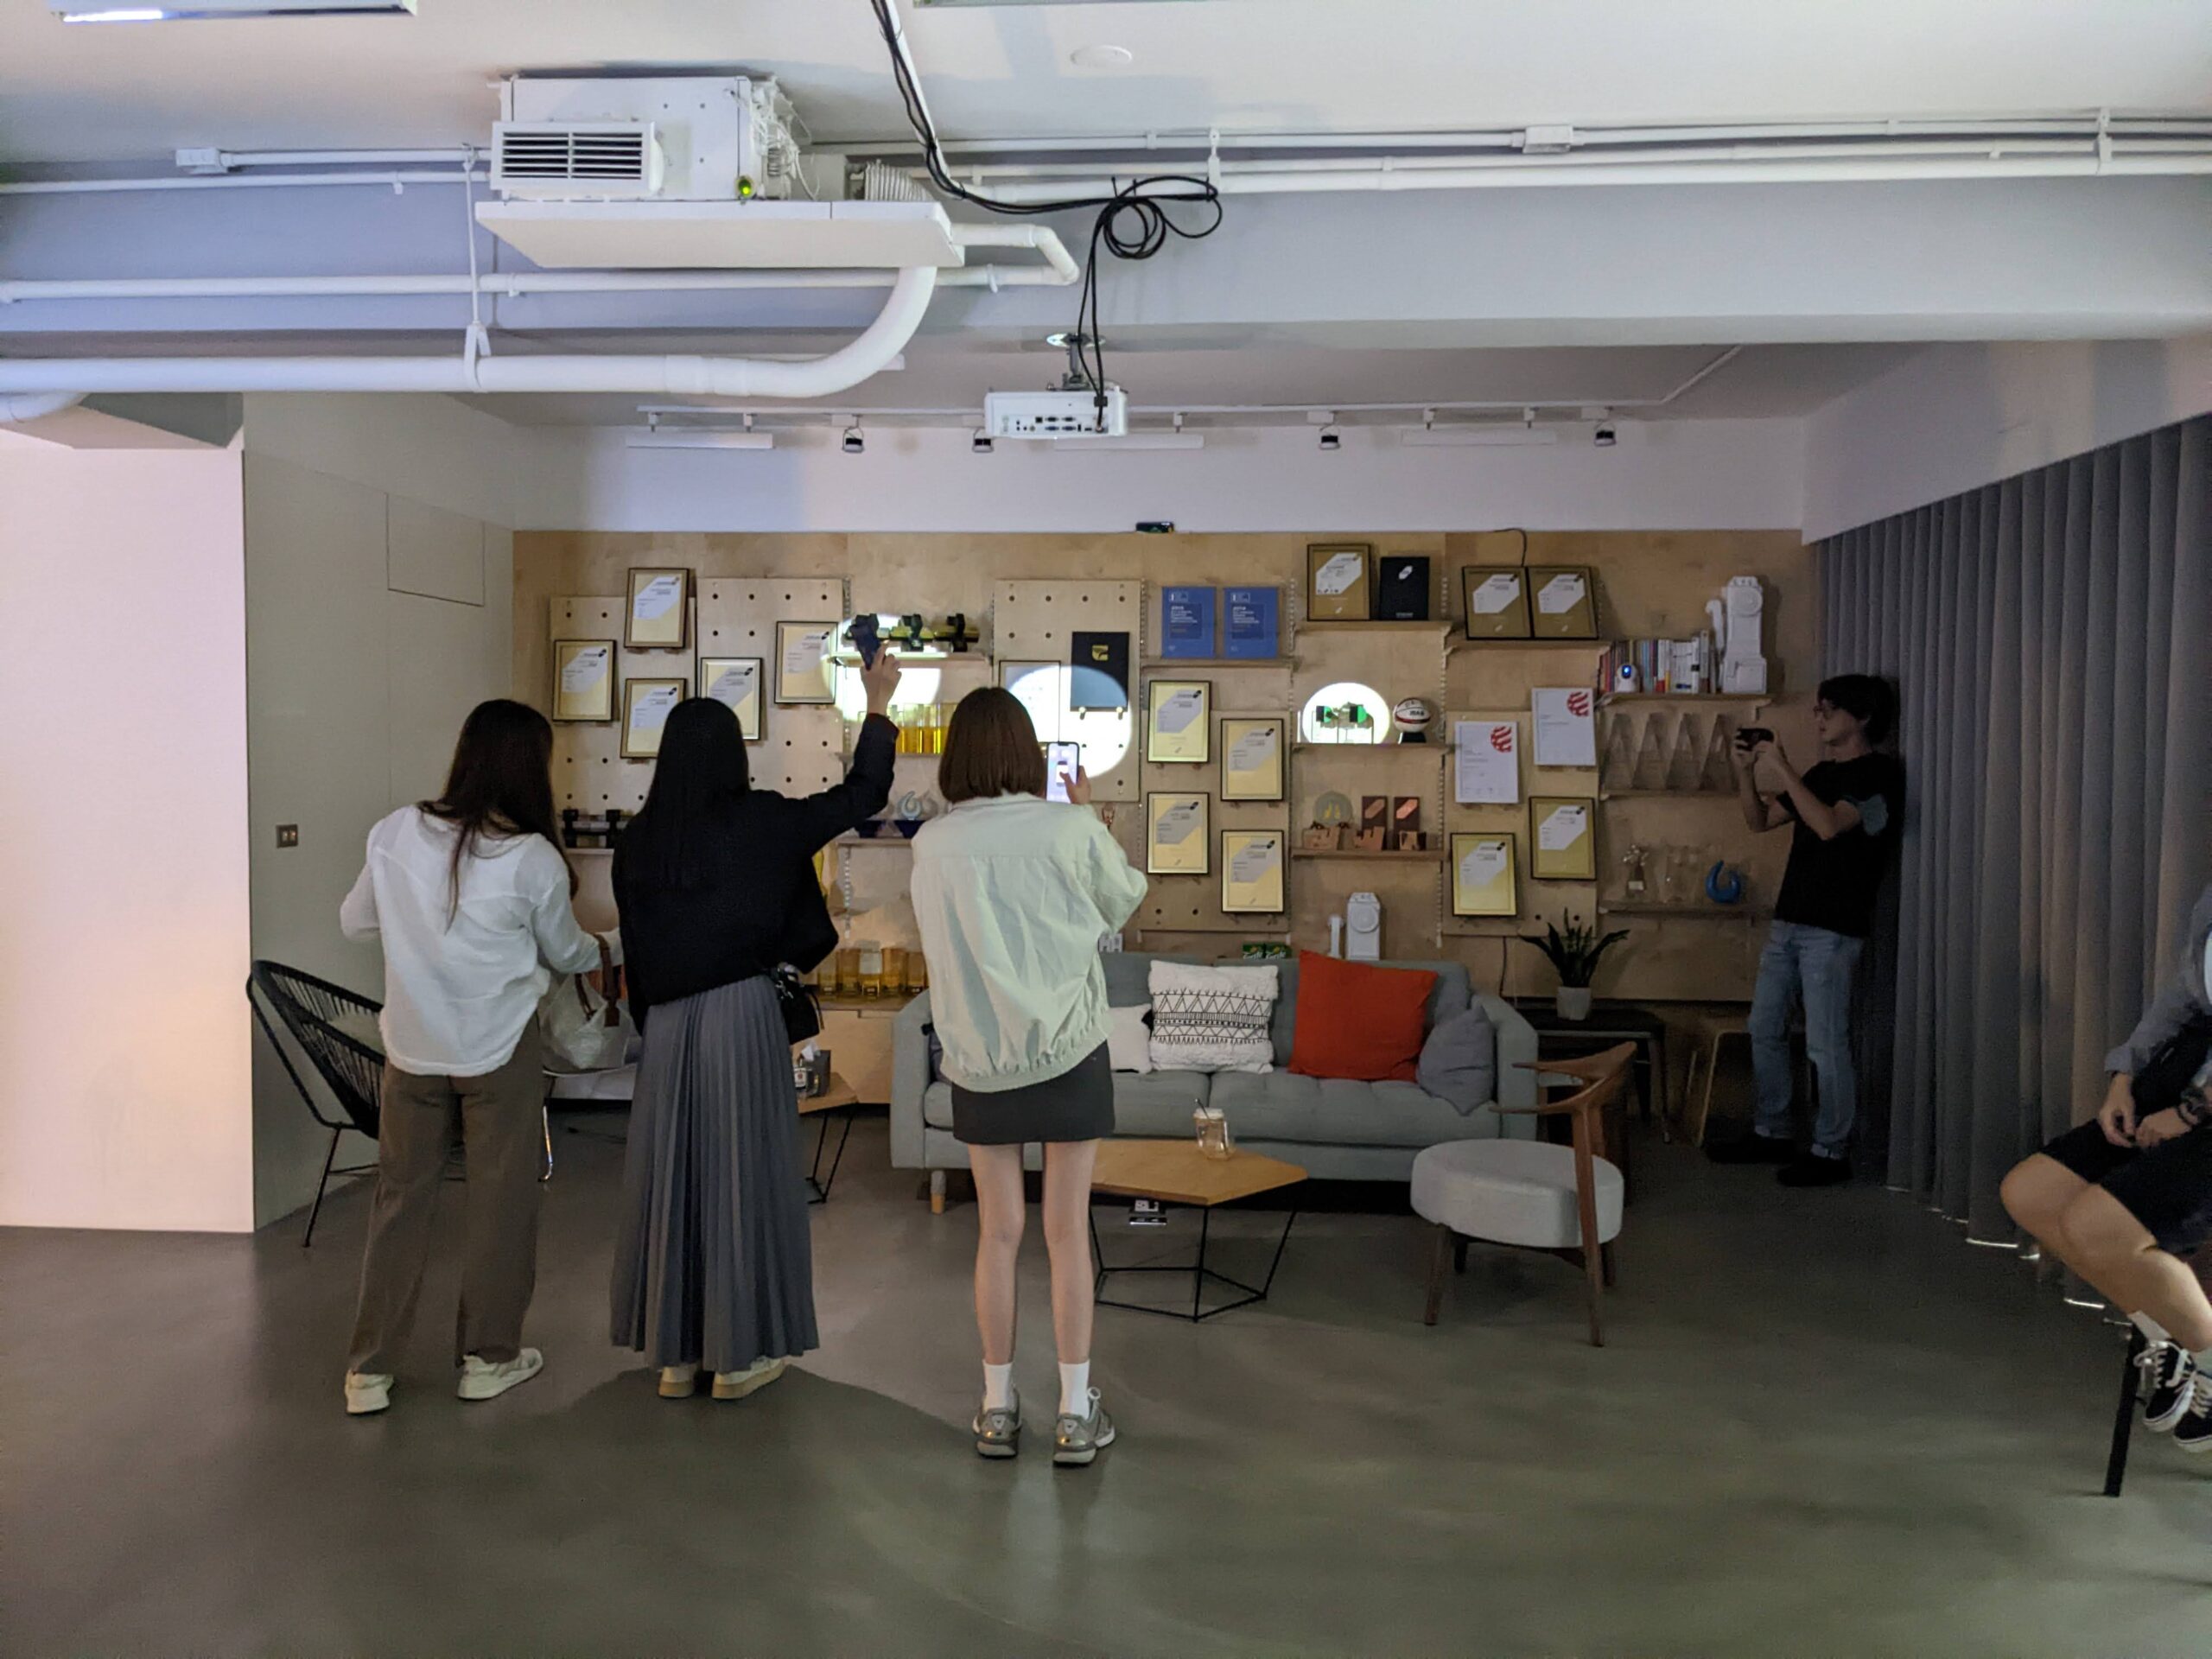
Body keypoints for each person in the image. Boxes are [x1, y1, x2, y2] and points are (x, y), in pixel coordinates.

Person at [608, 650, 899, 1401]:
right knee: (744, 1178)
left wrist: (655, 1021)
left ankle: (677, 1359)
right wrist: (876, 704)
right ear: (734, 757)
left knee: (674, 1185)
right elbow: (862, 794)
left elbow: (636, 948)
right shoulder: (763, 822)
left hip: (666, 1028)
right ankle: (736, 1360)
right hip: (741, 1014)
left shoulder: (638, 841)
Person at [338, 699, 611, 1416]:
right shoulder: (532, 857)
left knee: (399, 1202)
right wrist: (608, 946)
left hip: (412, 1048)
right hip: (499, 1049)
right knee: (501, 1202)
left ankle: (369, 1371)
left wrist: (421, 933)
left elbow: (354, 922)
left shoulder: (395, 832)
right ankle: (488, 1360)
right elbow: (567, 954)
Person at [908, 688, 1148, 1466]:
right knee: (1067, 1231)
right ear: (1027, 753)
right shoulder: (1067, 828)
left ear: (955, 756)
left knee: (999, 1231)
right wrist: (1089, 816)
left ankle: (996, 1409)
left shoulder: (932, 844)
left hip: (981, 1058)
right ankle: (1075, 1413)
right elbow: (1124, 902)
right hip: (1070, 1051)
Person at [2000, 885, 2212, 1452]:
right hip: (2185, 1082)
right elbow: (2182, 996)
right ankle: (2172, 1335)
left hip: (2199, 1107)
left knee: (2097, 1226)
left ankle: (2208, 1359)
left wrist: (2192, 1112)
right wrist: (2125, 1075)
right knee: (2031, 1193)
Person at [1710, 674, 1905, 1185]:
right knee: (1764, 1027)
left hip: (1834, 928)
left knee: (1825, 1042)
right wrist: (1747, 773)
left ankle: (1831, 1148)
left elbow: (1828, 825)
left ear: (1862, 717)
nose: (1818, 718)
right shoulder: (1818, 773)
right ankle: (1771, 1129)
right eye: (1817, 709)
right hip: (1789, 920)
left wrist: (1782, 767)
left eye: (1828, 710)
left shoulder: (1879, 773)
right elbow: (1759, 821)